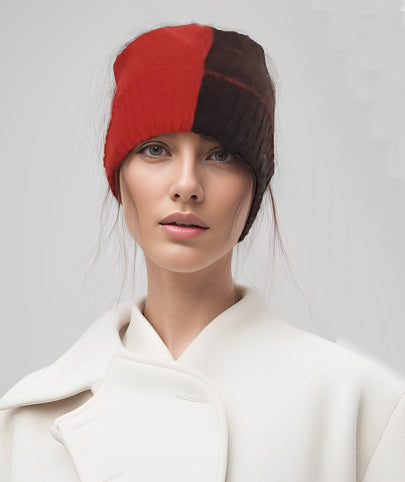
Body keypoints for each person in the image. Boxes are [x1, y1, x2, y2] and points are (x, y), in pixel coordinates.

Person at [0, 22, 404, 482]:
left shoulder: (363, 413)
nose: (187, 185)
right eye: (156, 149)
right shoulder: (25, 424)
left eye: (220, 155)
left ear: (254, 187)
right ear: (118, 176)